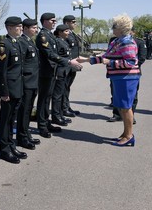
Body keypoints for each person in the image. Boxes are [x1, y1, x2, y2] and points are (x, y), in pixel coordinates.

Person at [78, 14, 140, 147]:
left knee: (126, 107)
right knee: (122, 107)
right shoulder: (117, 41)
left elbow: (130, 62)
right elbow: (105, 56)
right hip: (119, 78)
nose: (112, 29)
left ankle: (129, 136)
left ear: (122, 28)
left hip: (126, 78)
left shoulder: (127, 42)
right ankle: (125, 133)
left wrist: (110, 62)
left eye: (114, 26)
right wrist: (86, 59)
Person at [35, 13, 82, 138]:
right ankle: (42, 126)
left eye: (55, 20)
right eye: (52, 20)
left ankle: (46, 122)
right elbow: (50, 54)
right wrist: (68, 61)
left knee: (48, 98)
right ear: (44, 21)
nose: (55, 22)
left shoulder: (50, 35)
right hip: (45, 72)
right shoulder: (43, 36)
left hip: (52, 71)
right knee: (44, 100)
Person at [0, 16, 27, 164]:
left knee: (12, 119)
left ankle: (11, 145)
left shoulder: (18, 43)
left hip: (18, 87)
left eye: (21, 26)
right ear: (9, 28)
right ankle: (4, 150)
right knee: (5, 120)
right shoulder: (4, 45)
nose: (21, 28)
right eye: (18, 26)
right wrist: (4, 92)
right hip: (8, 90)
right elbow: (1, 72)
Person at [107, 26, 147, 123]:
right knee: (115, 93)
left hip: (131, 74)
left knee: (132, 96)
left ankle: (130, 116)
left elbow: (141, 58)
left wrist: (128, 67)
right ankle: (117, 114)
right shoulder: (114, 40)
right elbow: (109, 55)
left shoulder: (139, 42)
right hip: (116, 73)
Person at [16, 18, 41, 150]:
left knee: (29, 110)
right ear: (25, 28)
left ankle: (26, 133)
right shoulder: (21, 42)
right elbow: (20, 65)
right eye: (33, 28)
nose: (36, 30)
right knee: (24, 111)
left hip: (33, 81)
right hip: (26, 82)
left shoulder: (29, 41)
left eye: (36, 28)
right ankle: (21, 137)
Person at [51, 24, 73, 126]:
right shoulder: (57, 41)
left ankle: (60, 115)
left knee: (61, 93)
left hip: (65, 71)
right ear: (60, 32)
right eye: (66, 31)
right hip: (59, 71)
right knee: (57, 95)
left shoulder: (63, 41)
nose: (68, 33)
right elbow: (56, 57)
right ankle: (56, 117)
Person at [62, 15, 81, 117]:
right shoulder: (65, 35)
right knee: (64, 88)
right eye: (73, 22)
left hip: (73, 66)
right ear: (66, 23)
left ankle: (66, 106)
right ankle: (64, 108)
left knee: (67, 87)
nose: (75, 23)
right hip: (67, 66)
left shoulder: (72, 34)